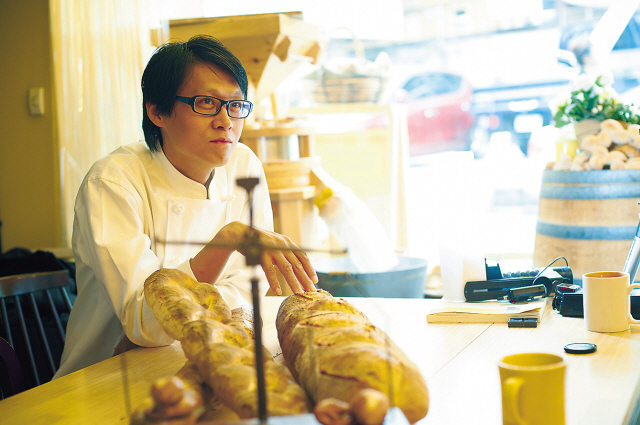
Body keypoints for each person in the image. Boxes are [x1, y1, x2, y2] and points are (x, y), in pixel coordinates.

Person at [54, 35, 318, 378]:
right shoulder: (113, 182)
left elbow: (247, 288)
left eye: (236, 105)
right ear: (157, 111)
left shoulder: (244, 166)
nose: (226, 120)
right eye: (206, 102)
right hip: (108, 374)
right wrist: (228, 240)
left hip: (204, 358)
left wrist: (185, 318)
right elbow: (144, 325)